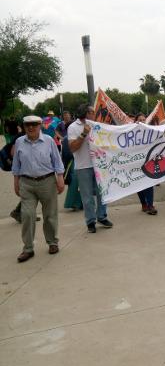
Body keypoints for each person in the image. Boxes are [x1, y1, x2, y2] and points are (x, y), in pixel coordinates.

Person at [12, 115, 65, 262]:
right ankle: (28, 248)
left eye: (34, 124)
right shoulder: (19, 142)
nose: (31, 127)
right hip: (26, 183)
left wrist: (60, 178)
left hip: (47, 182)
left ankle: (52, 242)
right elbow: (16, 165)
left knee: (50, 215)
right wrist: (16, 182)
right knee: (27, 215)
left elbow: (57, 161)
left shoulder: (48, 141)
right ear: (24, 126)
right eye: (27, 124)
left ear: (40, 125)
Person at [68, 104, 114, 234]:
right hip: (83, 167)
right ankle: (90, 221)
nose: (95, 114)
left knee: (102, 193)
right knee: (87, 197)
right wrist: (84, 134)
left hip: (99, 165)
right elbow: (72, 148)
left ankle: (102, 216)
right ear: (86, 113)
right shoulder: (73, 127)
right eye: (92, 112)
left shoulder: (97, 125)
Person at [133, 113, 158, 215]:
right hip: (136, 163)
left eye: (144, 120)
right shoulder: (131, 132)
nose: (142, 121)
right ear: (136, 121)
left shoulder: (149, 131)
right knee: (139, 185)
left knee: (149, 183)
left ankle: (150, 205)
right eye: (140, 120)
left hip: (148, 162)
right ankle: (144, 203)